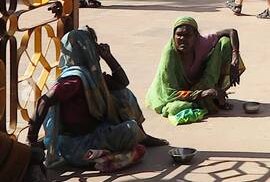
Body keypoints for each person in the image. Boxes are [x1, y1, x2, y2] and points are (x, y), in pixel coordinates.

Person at [30, 26, 167, 172]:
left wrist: (108, 57)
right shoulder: (74, 79)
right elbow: (44, 101)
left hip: (95, 132)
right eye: (93, 45)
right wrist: (31, 138)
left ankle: (135, 140)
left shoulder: (92, 75)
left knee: (123, 94)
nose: (96, 49)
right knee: (131, 132)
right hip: (78, 145)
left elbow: (122, 83)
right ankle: (106, 155)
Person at [146, 16, 245, 125]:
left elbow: (231, 32)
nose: (182, 39)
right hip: (174, 93)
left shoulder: (202, 42)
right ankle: (209, 99)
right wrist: (202, 94)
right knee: (176, 108)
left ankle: (218, 94)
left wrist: (235, 57)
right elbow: (170, 93)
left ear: (196, 36)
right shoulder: (169, 53)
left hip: (197, 84)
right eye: (179, 35)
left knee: (225, 43)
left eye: (187, 35)